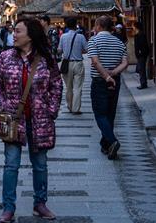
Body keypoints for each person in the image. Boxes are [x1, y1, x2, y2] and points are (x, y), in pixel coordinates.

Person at [0, 17, 63, 223]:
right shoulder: (4, 57)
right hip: (13, 120)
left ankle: (40, 203)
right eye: (14, 31)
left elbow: (56, 84)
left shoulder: (46, 58)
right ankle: (8, 208)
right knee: (11, 164)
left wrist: (52, 109)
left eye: (19, 31)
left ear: (30, 35)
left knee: (40, 164)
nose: (14, 34)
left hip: (40, 120)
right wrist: (2, 105)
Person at [89, 15, 129, 160]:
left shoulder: (94, 40)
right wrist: (113, 73)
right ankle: (106, 145)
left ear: (99, 26)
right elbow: (125, 62)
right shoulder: (119, 42)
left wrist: (106, 76)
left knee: (100, 114)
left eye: (95, 25)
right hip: (115, 81)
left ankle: (112, 141)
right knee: (110, 113)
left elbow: (95, 61)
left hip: (100, 81)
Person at [58, 17, 87, 115]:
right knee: (78, 87)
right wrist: (78, 51)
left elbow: (59, 50)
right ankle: (76, 108)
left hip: (66, 63)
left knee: (68, 87)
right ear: (76, 25)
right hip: (78, 63)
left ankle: (70, 106)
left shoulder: (63, 36)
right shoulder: (81, 37)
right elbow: (86, 49)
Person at [133, 21, 149, 90]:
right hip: (141, 54)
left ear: (136, 27)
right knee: (140, 68)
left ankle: (143, 83)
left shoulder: (141, 34)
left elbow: (142, 45)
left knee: (141, 69)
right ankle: (143, 83)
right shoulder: (138, 34)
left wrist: (140, 52)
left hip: (142, 54)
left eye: (133, 26)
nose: (132, 27)